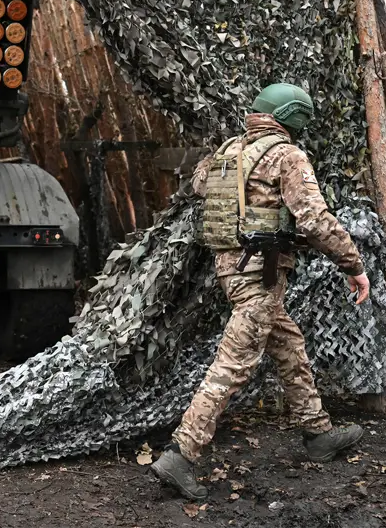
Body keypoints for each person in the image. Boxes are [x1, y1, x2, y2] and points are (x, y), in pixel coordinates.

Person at [150, 83, 370, 500]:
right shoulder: (287, 156)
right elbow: (315, 220)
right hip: (260, 274)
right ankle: (181, 453)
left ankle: (318, 432)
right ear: (292, 116)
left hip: (232, 271)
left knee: (288, 343)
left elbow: (200, 187)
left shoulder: (228, 151)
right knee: (233, 364)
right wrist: (353, 265)